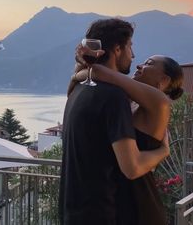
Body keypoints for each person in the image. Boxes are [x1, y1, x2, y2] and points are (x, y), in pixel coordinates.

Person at [59, 18, 170, 225]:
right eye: (130, 46)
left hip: (72, 211)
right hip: (99, 215)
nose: (133, 55)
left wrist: (83, 70)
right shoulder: (113, 97)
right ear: (117, 49)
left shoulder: (77, 90)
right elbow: (132, 167)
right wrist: (164, 151)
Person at [72, 52, 184, 225]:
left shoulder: (159, 102)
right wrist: (79, 73)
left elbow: (99, 73)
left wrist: (76, 76)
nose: (140, 65)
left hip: (140, 203)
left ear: (163, 80)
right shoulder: (132, 104)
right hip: (122, 198)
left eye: (149, 63)